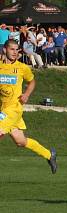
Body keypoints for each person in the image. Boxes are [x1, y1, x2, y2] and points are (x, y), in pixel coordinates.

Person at [0, 40, 58, 173]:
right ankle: (49, 155)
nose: (15, 52)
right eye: (12, 49)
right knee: (20, 141)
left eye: (17, 50)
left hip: (15, 108)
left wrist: (26, 94)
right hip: (3, 108)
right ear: (4, 50)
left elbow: (32, 82)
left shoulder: (22, 67)